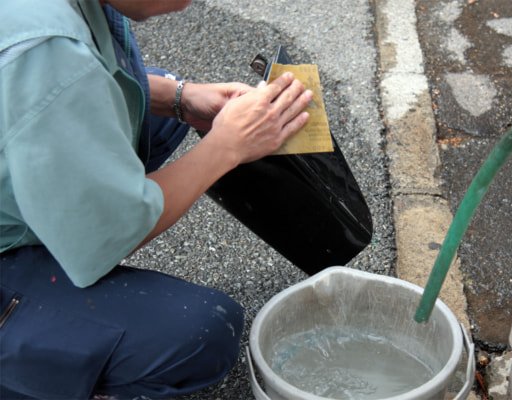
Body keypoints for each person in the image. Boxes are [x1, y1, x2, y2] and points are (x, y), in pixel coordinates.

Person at [0, 0, 313, 398]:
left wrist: (180, 97)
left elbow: (82, 78)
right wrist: (226, 147)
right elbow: (104, 237)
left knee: (145, 104)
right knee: (199, 333)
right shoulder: (49, 56)